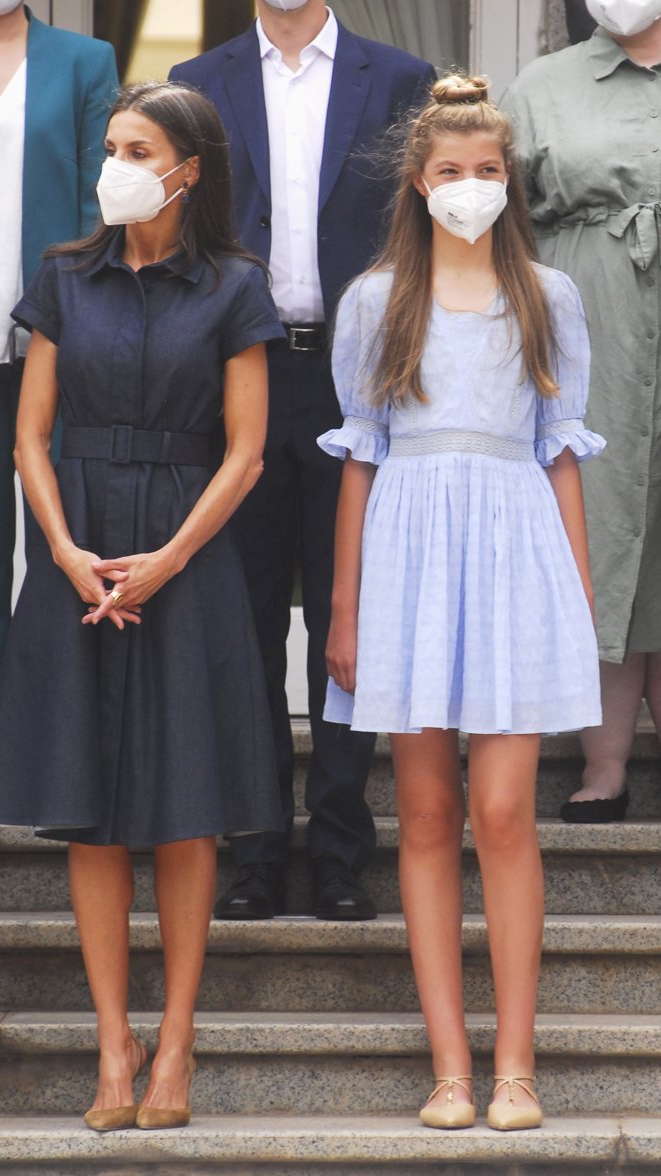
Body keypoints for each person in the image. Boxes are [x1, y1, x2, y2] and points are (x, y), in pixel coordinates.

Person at [0, 81, 284, 1131]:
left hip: (185, 554)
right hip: (79, 551)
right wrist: (64, 551)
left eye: (137, 147)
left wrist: (166, 561)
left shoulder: (237, 286)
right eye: (111, 144)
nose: (115, 161)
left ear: (187, 170)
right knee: (91, 820)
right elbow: (29, 434)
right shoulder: (66, 278)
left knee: (185, 814)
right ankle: (115, 1047)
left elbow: (245, 450)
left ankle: (177, 1041)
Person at [319, 75, 603, 1130]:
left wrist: (573, 596)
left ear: (509, 182)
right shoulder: (372, 301)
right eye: (451, 172)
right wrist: (344, 609)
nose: (470, 188)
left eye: (488, 172)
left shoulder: (548, 296)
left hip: (515, 554)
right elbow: (359, 459)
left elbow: (562, 457)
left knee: (502, 813)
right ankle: (450, 1064)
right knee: (428, 812)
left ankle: (516, 1064)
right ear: (418, 182)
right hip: (407, 560)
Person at [170, 0, 435, 922]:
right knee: (239, 616)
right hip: (236, 373)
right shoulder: (199, 85)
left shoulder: (399, 80)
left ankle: (338, 847)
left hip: (354, 372)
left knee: (344, 614)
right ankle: (252, 848)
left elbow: (422, 230)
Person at [502, 0, 661, 822]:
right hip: (590, 321)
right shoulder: (542, 84)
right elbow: (506, 220)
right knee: (596, 525)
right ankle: (605, 765)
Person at [0, 0, 118, 813]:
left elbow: (103, 202)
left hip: (49, 342)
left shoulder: (83, 60)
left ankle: (61, 749)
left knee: (63, 547)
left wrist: (84, 318)